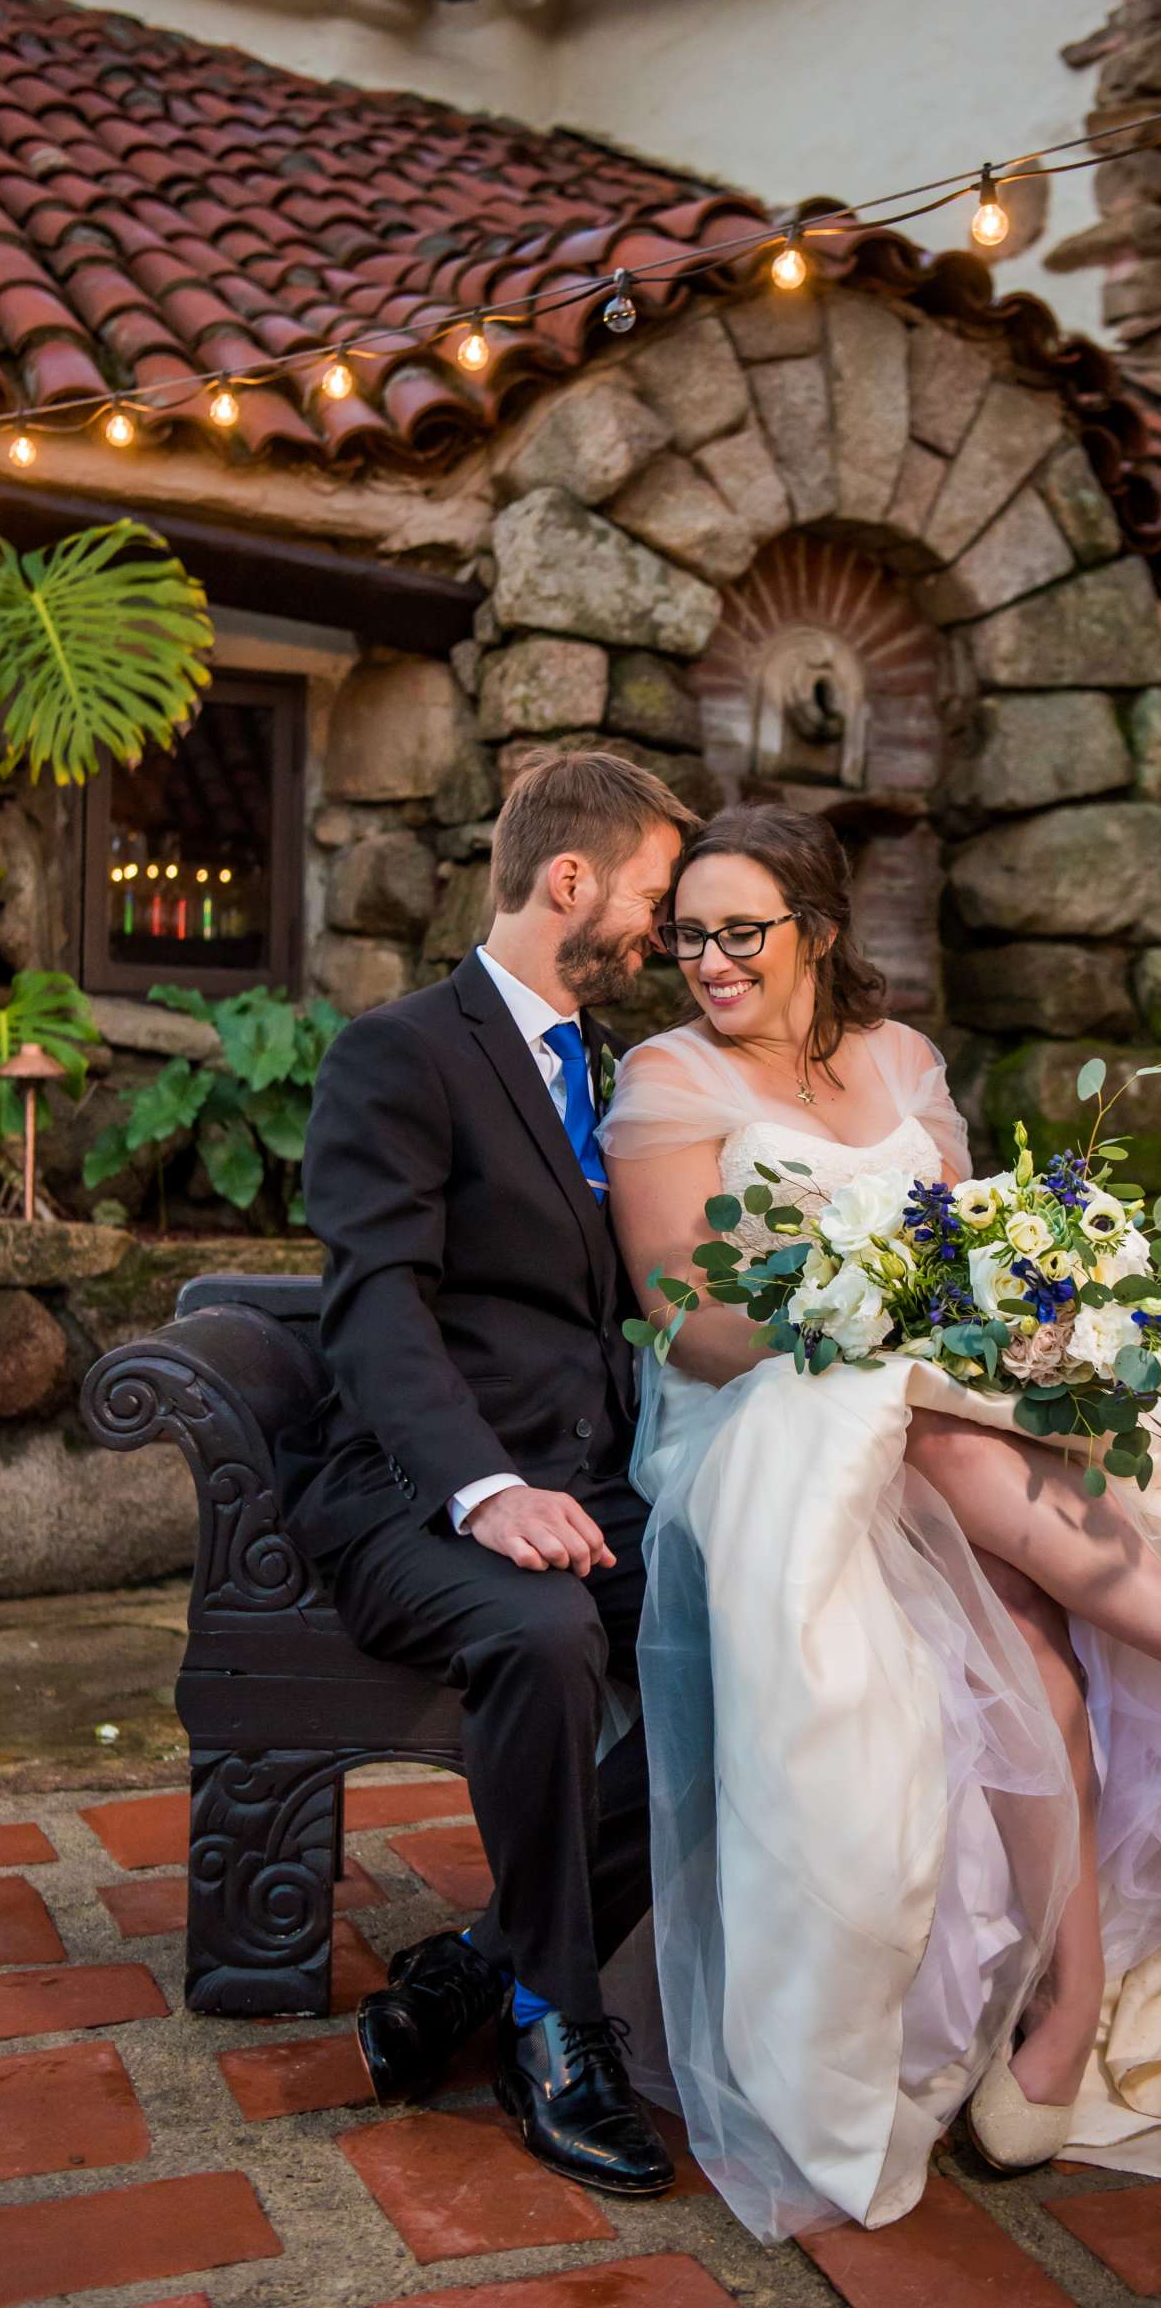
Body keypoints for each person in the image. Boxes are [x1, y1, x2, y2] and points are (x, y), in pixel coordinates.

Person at [599, 801, 1161, 2242]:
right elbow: (678, 1316)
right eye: (690, 934)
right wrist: (849, 1332)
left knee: (1026, 1615)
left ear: (816, 933)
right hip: (761, 1409)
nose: (707, 960)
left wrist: (1028, 1320)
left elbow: (962, 1247)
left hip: (937, 1412)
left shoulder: (904, 1063)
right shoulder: (664, 1076)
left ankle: (1075, 2009)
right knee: (935, 1453)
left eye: (738, 932)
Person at [279, 748, 698, 2199]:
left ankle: (480, 1961)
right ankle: (550, 2021)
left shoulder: (605, 1070)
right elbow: (376, 1303)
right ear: (567, 880)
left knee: (764, 1642)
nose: (660, 928)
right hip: (413, 1493)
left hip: (598, 1479)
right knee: (545, 1628)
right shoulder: (400, 1051)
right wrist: (482, 1489)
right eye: (650, 895)